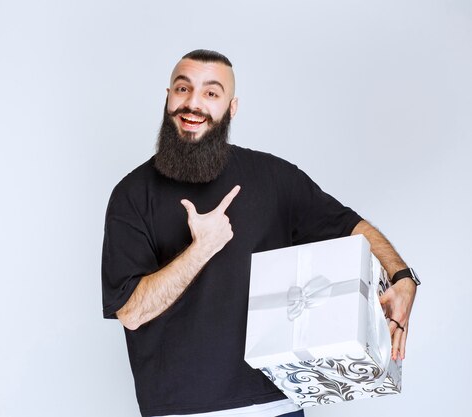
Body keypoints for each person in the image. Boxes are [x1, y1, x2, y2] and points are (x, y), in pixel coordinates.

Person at [101, 49, 417, 417]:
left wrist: (403, 276)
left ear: (231, 108)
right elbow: (132, 312)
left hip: (279, 403)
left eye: (211, 93)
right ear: (168, 97)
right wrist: (201, 249)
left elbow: (350, 226)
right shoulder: (131, 195)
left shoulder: (274, 178)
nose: (193, 103)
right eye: (182, 88)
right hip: (182, 410)